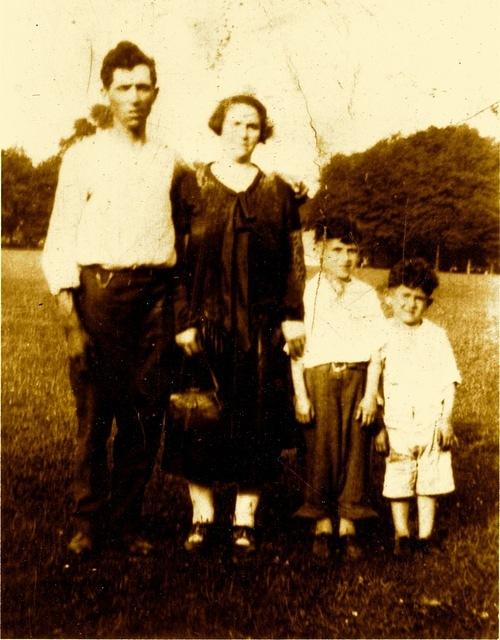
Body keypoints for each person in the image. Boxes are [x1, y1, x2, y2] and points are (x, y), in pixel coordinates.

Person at [42, 41, 179, 556]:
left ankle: (127, 521)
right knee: (95, 418)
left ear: (156, 93)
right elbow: (58, 242)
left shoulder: (169, 161)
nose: (135, 97)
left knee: (145, 419)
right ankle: (88, 522)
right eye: (124, 88)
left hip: (155, 300)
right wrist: (71, 322)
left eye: (144, 87)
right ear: (107, 93)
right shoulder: (83, 156)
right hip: (98, 297)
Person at [171, 94, 306, 559]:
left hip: (260, 327)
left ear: (262, 133)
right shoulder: (193, 184)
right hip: (204, 324)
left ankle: (245, 518)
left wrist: (291, 317)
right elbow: (178, 260)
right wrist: (184, 321)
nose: (243, 133)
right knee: (199, 418)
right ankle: (202, 515)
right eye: (235, 123)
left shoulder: (278, 191)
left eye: (253, 126)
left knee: (257, 421)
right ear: (219, 126)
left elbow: (295, 261)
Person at [291, 217, 385, 560]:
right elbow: (296, 350)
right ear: (320, 252)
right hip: (318, 377)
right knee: (320, 449)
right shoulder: (308, 291)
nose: (346, 258)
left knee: (356, 449)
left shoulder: (365, 294)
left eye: (352, 251)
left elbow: (377, 349)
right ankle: (321, 523)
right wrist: (301, 394)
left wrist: (371, 393)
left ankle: (348, 523)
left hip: (358, 377)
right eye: (337, 250)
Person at [374, 259, 461, 557]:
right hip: (396, 421)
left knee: (429, 478)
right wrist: (380, 427)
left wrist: (446, 420)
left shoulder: (436, 336)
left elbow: (449, 381)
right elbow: (374, 385)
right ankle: (402, 534)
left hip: (431, 421)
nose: (411, 304)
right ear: (390, 297)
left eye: (419, 298)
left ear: (429, 302)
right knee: (398, 476)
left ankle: (425, 536)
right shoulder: (382, 333)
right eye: (405, 296)